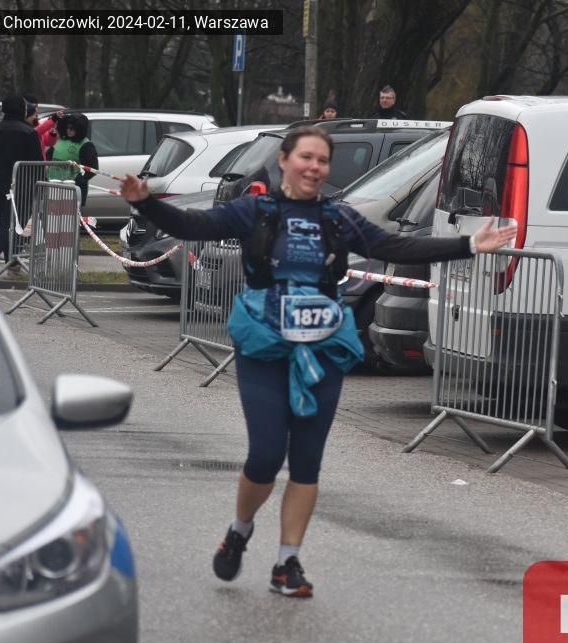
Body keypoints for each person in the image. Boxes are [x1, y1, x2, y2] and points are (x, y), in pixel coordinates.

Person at [119, 126, 515, 598]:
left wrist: (468, 245)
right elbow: (193, 226)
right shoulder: (255, 211)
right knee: (266, 456)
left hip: (321, 346)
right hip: (265, 344)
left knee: (307, 462)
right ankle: (240, 529)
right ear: (284, 161)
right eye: (306, 157)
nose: (314, 167)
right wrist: (145, 203)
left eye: (322, 160)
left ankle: (287, 563)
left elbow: (394, 247)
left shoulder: (337, 218)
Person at [0, 95, 42, 279]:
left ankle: (13, 265)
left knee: (6, 221)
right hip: (23, 184)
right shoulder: (28, 132)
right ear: (21, 109)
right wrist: (39, 183)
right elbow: (37, 163)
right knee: (11, 223)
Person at [47, 113, 97, 206]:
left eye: (72, 129)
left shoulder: (86, 145)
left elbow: (92, 169)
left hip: (72, 189)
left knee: (69, 215)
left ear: (79, 129)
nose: (69, 130)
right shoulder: (59, 141)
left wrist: (78, 180)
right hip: (52, 186)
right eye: (68, 127)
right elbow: (47, 158)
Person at [23, 94, 64, 160]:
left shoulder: (37, 123)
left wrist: (52, 134)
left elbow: (48, 143)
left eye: (36, 107)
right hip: (28, 162)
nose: (36, 110)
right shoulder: (21, 125)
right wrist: (52, 120)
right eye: (33, 107)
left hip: (40, 162)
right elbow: (34, 133)